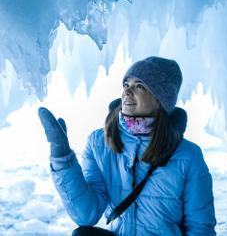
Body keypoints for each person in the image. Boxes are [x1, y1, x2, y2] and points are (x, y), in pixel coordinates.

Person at [38, 56, 216, 236]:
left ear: (160, 99)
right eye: (126, 85)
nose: (127, 92)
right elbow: (86, 216)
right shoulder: (99, 142)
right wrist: (62, 159)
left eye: (139, 86)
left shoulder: (187, 155)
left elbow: (200, 227)